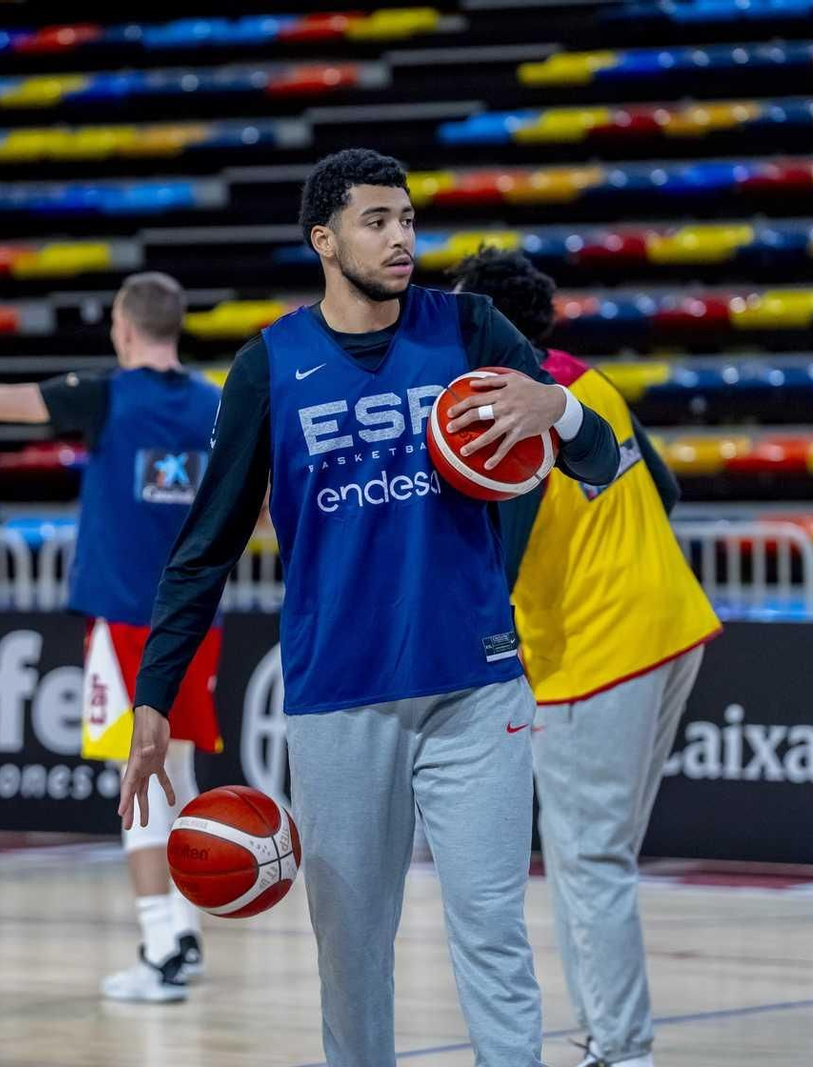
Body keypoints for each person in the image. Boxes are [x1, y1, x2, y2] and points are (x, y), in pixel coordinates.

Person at [121, 148, 622, 1066]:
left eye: (408, 220)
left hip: (477, 686)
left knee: (493, 933)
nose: (401, 239)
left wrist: (557, 406)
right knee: (351, 955)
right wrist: (153, 696)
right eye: (377, 222)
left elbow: (601, 463)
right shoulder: (269, 365)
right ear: (325, 239)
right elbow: (207, 545)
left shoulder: (469, 328)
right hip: (339, 696)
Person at [450, 248, 722, 1067]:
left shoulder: (501, 408)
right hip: (671, 626)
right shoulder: (590, 383)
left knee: (589, 861)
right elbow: (665, 491)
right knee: (594, 860)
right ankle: (608, 1034)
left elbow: (498, 555)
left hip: (594, 650)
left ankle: (621, 1049)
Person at [0, 272, 223, 1003]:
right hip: (197, 620)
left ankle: (159, 948)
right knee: (175, 778)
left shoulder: (108, 393)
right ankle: (182, 928)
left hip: (126, 617)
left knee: (141, 784)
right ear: (174, 326)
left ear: (123, 328)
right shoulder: (216, 402)